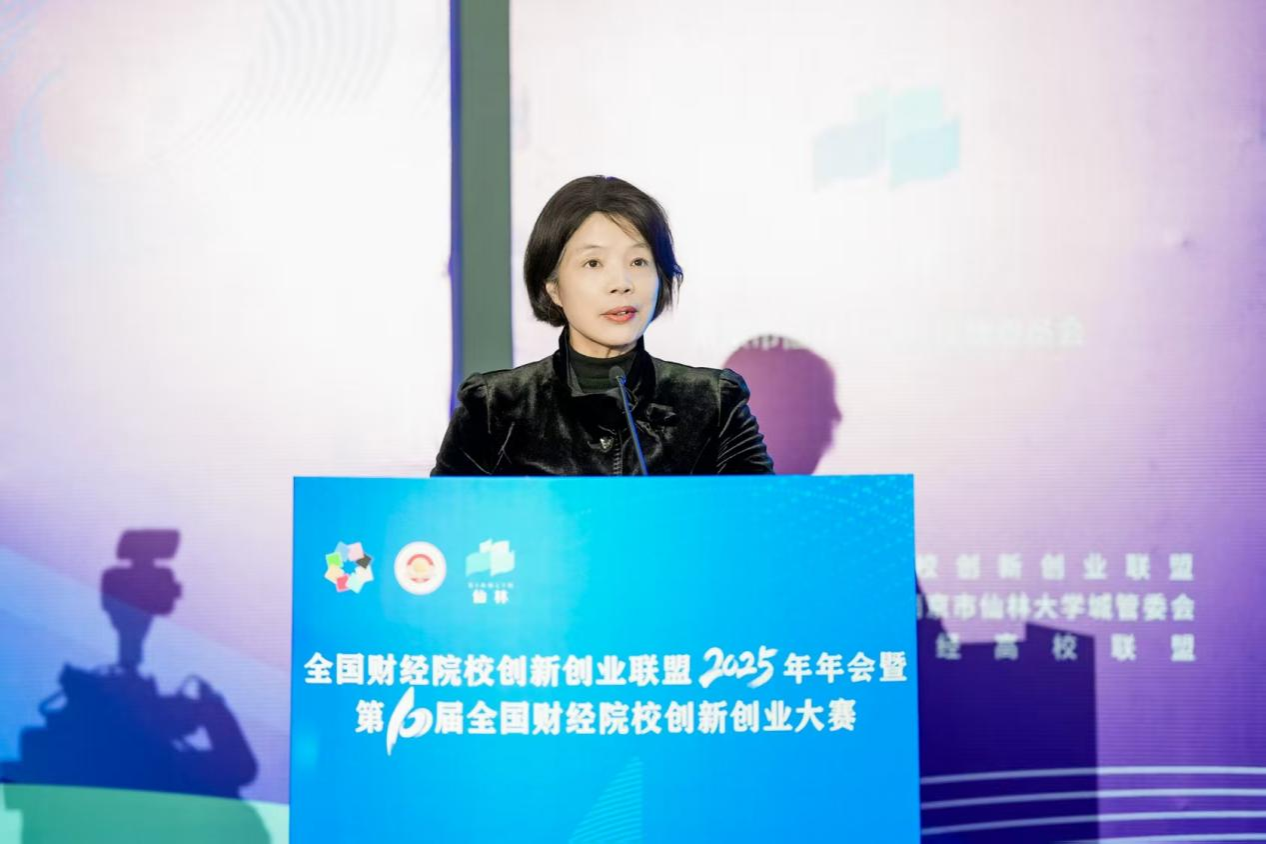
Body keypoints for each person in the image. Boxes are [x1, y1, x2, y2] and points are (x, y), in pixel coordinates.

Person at [431, 175, 773, 476]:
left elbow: (764, 519)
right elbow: (448, 523)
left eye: (638, 261)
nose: (621, 283)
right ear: (553, 287)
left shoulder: (714, 403)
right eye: (593, 263)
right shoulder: (494, 407)